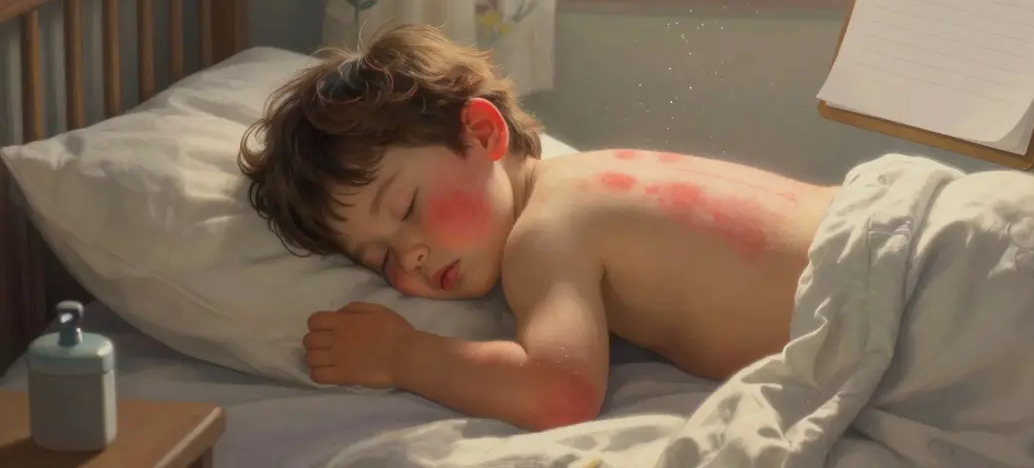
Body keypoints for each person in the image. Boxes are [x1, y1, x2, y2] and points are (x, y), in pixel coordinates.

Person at [239, 24, 838, 432]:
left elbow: (560, 393)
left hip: (885, 284)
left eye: (404, 210)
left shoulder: (544, 235)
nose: (410, 258)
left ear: (482, 134)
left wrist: (404, 355)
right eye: (378, 259)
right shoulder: (581, 179)